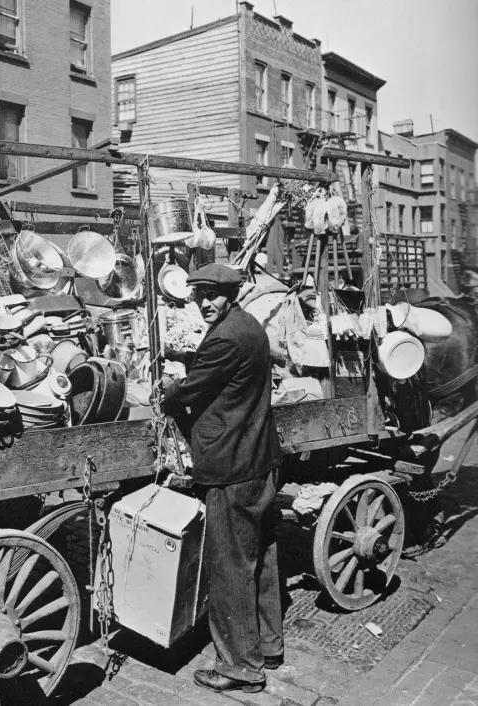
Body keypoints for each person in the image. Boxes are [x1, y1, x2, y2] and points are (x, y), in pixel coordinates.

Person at [160, 262, 283, 695]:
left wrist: (168, 391)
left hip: (232, 465)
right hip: (260, 458)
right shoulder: (249, 326)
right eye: (199, 296)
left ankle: (241, 667)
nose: (204, 303)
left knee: (230, 567)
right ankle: (268, 645)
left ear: (230, 294)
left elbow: (190, 389)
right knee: (260, 557)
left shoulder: (225, 338)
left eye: (212, 295)